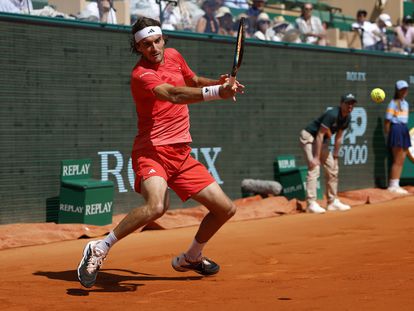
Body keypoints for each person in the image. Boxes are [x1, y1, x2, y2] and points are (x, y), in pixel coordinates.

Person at [77, 16, 244, 288]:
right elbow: (175, 94)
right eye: (146, 44)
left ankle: (191, 256)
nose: (154, 48)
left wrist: (219, 83)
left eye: (157, 41)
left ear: (164, 39)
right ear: (138, 48)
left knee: (225, 209)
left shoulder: (175, 55)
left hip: (181, 153)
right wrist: (217, 93)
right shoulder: (140, 75)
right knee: (157, 206)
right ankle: (99, 247)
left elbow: (193, 80)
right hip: (152, 151)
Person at [299, 93, 356, 214]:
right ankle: (311, 204)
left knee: (333, 168)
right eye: (347, 103)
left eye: (352, 103)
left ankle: (332, 202)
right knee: (314, 167)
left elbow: (339, 137)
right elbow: (319, 135)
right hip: (309, 138)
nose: (350, 106)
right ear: (341, 104)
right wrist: (316, 157)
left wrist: (335, 156)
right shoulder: (332, 114)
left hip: (321, 142)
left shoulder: (348, 117)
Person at [384, 80, 411, 194]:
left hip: (404, 129)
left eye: (405, 89)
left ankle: (396, 184)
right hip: (396, 129)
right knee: (397, 159)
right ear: (397, 91)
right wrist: (389, 135)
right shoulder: (393, 103)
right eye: (402, 89)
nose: (404, 91)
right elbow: (387, 121)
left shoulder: (405, 103)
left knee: (402, 159)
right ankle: (392, 185)